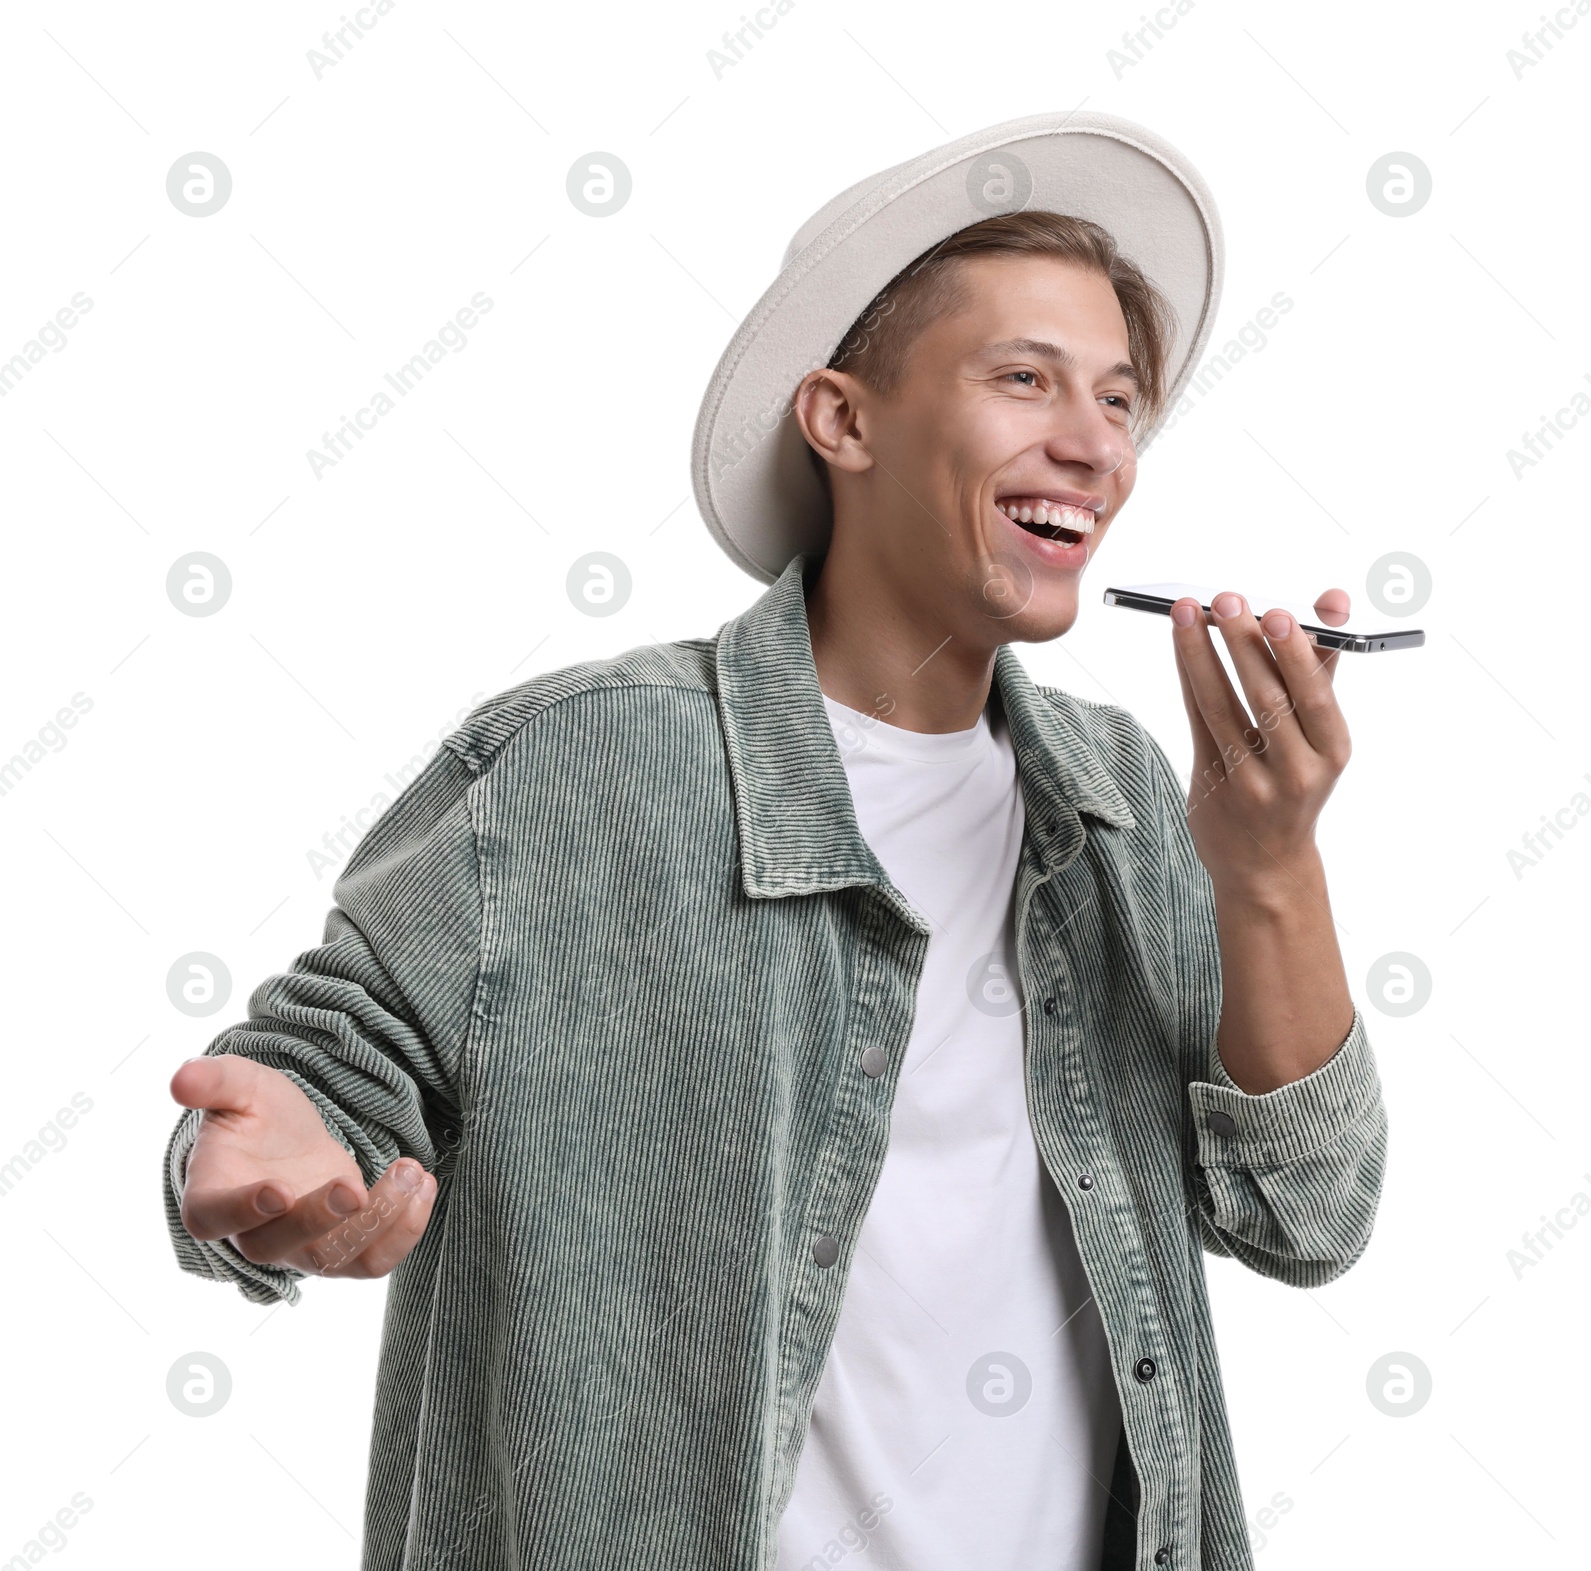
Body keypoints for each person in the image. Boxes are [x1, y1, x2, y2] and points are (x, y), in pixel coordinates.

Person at [164, 110, 1385, 1571]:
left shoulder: (1123, 795)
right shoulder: (574, 766)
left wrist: (1268, 862)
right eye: (1025, 379)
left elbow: (1305, 1213)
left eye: (1120, 402)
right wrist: (259, 1161)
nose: (1094, 445)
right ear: (845, 419)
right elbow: (315, 1078)